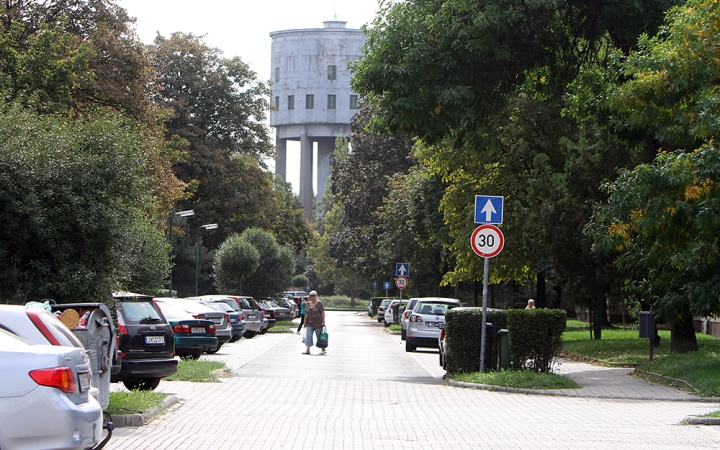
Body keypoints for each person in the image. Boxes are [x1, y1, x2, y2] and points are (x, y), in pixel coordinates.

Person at [302, 290, 325, 355]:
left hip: (318, 323)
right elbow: (306, 314)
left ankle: (323, 349)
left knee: (319, 336)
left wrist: (323, 322)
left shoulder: (319, 303)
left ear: (316, 296)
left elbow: (322, 313)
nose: (311, 297)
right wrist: (305, 322)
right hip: (309, 323)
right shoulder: (308, 304)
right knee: (308, 336)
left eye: (313, 295)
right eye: (310, 296)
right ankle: (307, 350)